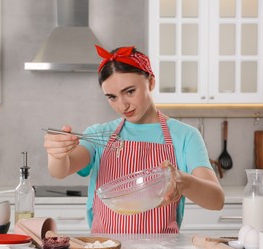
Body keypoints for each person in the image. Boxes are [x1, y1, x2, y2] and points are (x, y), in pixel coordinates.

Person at [44, 45, 225, 233]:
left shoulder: (185, 136)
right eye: (112, 97)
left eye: (130, 91)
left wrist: (183, 181)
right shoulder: (100, 134)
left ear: (151, 82)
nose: (122, 105)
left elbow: (216, 200)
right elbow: (61, 170)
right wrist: (57, 153)